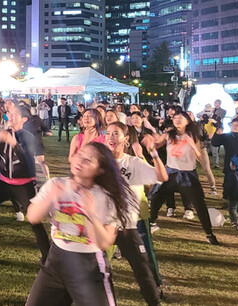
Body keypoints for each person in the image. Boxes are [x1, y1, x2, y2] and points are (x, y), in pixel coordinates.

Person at [25, 142, 135, 306]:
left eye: (88, 160)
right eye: (79, 155)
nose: (79, 161)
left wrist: (90, 214)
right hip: (56, 261)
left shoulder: (105, 197)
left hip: (88, 265)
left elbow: (104, 242)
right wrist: (51, 197)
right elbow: (32, 216)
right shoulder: (56, 184)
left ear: (100, 170)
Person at [0, 104, 51, 263]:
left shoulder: (28, 136)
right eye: (9, 114)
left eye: (14, 115)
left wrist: (13, 143)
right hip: (4, 183)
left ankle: (48, 256)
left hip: (24, 186)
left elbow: (28, 163)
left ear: (24, 119)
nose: (10, 116)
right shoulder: (4, 133)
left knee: (34, 220)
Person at [106, 121, 168, 306]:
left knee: (142, 270)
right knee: (98, 269)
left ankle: (154, 301)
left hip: (128, 227)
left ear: (125, 139)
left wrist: (153, 153)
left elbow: (162, 177)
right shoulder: (100, 163)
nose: (111, 137)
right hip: (105, 226)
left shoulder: (133, 163)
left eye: (116, 133)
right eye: (108, 133)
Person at [148, 112, 220, 245]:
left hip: (188, 175)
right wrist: (151, 142)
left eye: (181, 118)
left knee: (199, 205)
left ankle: (209, 234)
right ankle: (150, 224)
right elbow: (153, 147)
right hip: (170, 173)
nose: (177, 120)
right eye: (175, 118)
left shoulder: (193, 136)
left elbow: (201, 160)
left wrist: (192, 144)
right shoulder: (168, 134)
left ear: (188, 121)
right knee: (156, 199)